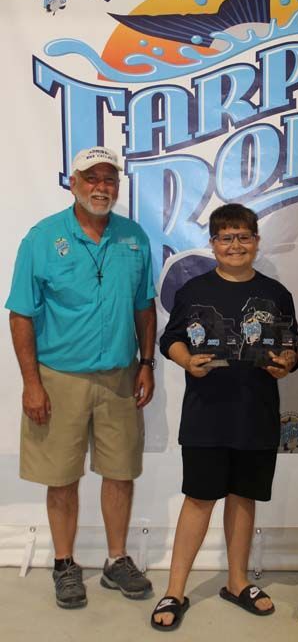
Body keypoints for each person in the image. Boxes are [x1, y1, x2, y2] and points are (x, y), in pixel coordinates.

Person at [6, 147, 156, 610]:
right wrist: (31, 382)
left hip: (118, 378)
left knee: (120, 472)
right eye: (92, 178)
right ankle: (66, 564)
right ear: (73, 183)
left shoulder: (134, 238)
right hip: (59, 378)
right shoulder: (42, 238)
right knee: (62, 476)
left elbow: (144, 305)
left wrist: (146, 362)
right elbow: (21, 314)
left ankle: (116, 561)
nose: (101, 186)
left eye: (110, 178)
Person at [151, 203, 298, 631]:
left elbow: (291, 346)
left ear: (256, 241)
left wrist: (286, 363)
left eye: (243, 237)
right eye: (226, 238)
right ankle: (175, 589)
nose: (235, 245)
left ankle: (236, 582)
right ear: (213, 244)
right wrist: (187, 362)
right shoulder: (194, 290)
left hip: (256, 413)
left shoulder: (276, 293)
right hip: (206, 415)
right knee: (198, 498)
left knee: (243, 497)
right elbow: (171, 340)